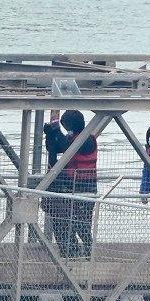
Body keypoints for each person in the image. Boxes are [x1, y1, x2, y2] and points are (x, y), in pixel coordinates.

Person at [43, 110, 98, 257]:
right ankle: (70, 252)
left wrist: (57, 132)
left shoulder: (87, 140)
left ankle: (88, 251)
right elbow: (55, 148)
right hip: (69, 187)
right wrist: (51, 134)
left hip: (85, 188)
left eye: (66, 126)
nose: (66, 130)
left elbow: (68, 147)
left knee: (81, 224)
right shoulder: (71, 138)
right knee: (62, 221)